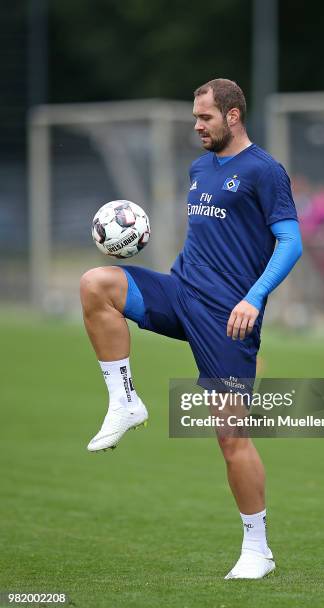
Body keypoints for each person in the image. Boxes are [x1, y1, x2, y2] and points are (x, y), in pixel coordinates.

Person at [80, 78, 302, 580]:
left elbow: (290, 242)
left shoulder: (264, 171)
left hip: (228, 317)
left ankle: (258, 550)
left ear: (234, 116)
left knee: (231, 437)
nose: (197, 126)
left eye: (205, 118)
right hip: (180, 294)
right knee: (97, 284)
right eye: (195, 118)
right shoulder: (200, 168)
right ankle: (125, 401)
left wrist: (254, 297)